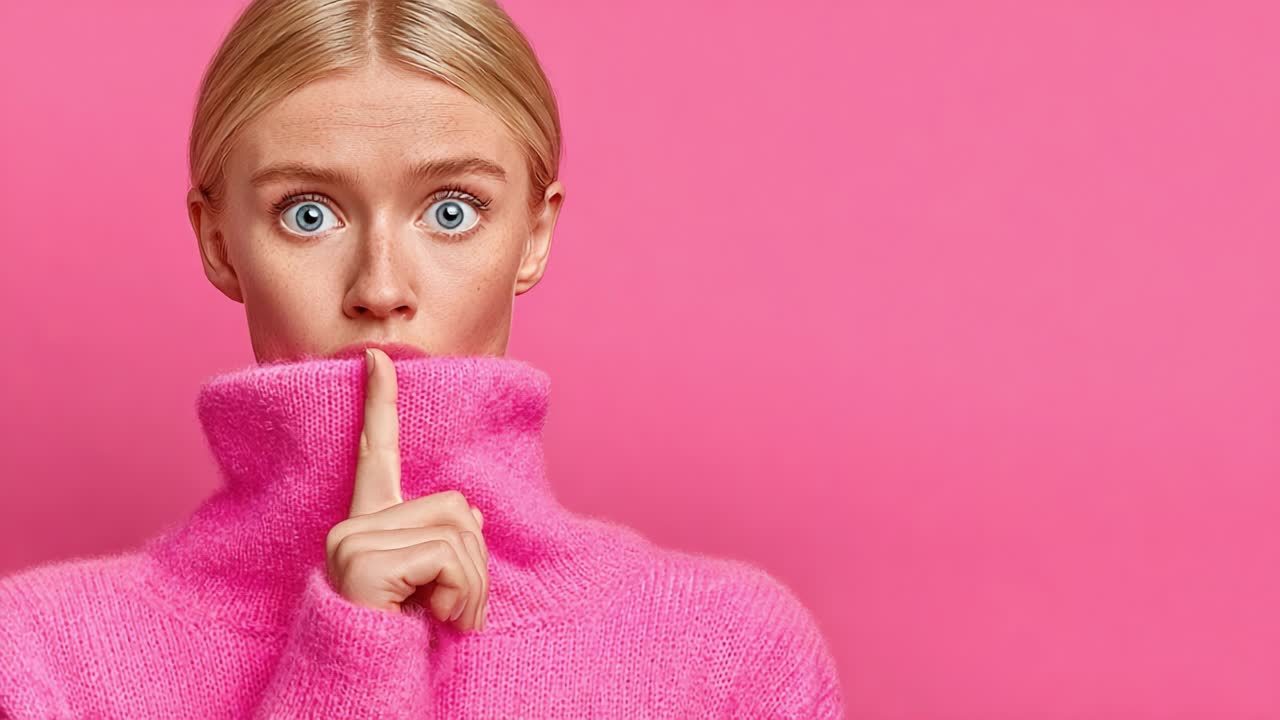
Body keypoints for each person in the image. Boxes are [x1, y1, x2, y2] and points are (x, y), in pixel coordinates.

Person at [0, 0, 845, 716]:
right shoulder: (42, 660)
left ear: (534, 234)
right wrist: (351, 656)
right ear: (219, 242)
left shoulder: (730, 658)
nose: (380, 287)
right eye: (307, 213)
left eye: (451, 211)